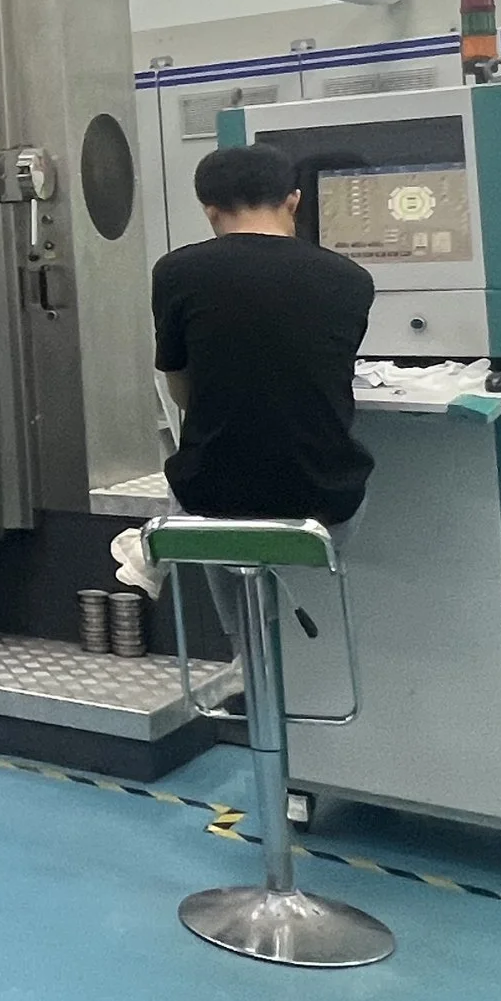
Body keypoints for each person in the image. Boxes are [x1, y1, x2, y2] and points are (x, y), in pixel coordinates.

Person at [151, 142, 375, 651]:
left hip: (211, 503)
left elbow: (182, 392)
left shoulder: (176, 272)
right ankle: (290, 658)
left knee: (214, 508)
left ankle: (247, 651)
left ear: (210, 210)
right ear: (294, 200)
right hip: (325, 507)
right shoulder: (351, 279)